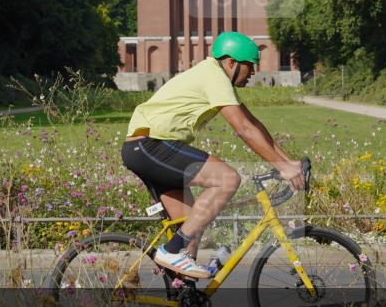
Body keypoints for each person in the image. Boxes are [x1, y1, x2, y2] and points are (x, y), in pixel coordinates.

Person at [121, 32, 305, 279]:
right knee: (227, 178)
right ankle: (171, 250)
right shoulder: (214, 77)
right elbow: (243, 129)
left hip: (151, 148)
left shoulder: (216, 76)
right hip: (149, 145)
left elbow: (254, 124)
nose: (252, 72)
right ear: (231, 63)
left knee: (191, 236)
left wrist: (287, 162)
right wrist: (281, 167)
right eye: (250, 66)